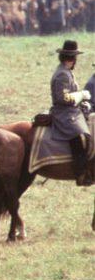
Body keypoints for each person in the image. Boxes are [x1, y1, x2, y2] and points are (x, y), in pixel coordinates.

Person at [49, 41, 91, 185]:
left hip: (71, 109)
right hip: (64, 113)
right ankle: (80, 173)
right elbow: (62, 98)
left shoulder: (66, 71)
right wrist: (81, 95)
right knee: (80, 135)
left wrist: (82, 100)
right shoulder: (62, 74)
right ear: (72, 58)